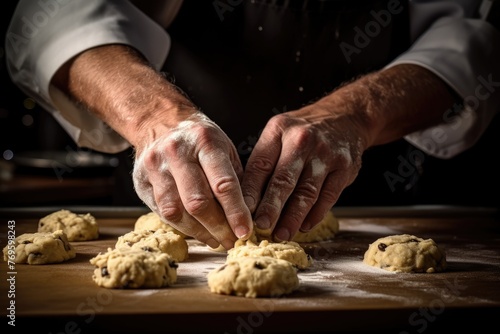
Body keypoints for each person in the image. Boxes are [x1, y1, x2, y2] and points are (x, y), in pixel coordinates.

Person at [5, 0, 500, 250]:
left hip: (378, 194)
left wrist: (359, 112)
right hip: (169, 189)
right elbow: (56, 13)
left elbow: (472, 39)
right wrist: (156, 117)